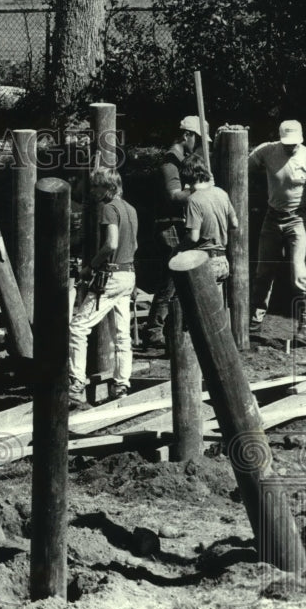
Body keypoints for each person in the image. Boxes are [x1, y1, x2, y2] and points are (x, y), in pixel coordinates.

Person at [248, 120, 306, 345]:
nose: (290, 147)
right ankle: (255, 321)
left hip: (299, 218)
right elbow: (239, 167)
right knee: (263, 271)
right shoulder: (267, 151)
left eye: (294, 144)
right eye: (286, 143)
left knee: (299, 274)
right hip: (272, 217)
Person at [69, 168, 138, 406]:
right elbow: (135, 245)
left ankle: (76, 383)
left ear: (109, 188)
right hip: (128, 274)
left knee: (78, 327)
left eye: (97, 186)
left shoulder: (109, 209)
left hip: (111, 276)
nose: (93, 191)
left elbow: (111, 243)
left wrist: (90, 267)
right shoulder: (131, 209)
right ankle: (121, 384)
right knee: (122, 334)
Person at [142, 116, 210, 349]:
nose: (199, 146)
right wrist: (197, 188)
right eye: (198, 140)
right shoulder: (170, 164)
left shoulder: (183, 161)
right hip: (168, 225)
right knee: (171, 279)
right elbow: (173, 196)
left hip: (177, 224)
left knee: (177, 279)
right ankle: (153, 330)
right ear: (186, 135)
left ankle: (169, 327)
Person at [179, 153, 239, 287]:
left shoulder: (193, 200)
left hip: (205, 262)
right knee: (217, 306)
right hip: (222, 261)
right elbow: (235, 224)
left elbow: (194, 237)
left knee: (200, 307)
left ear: (186, 176)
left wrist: (177, 250)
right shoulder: (222, 193)